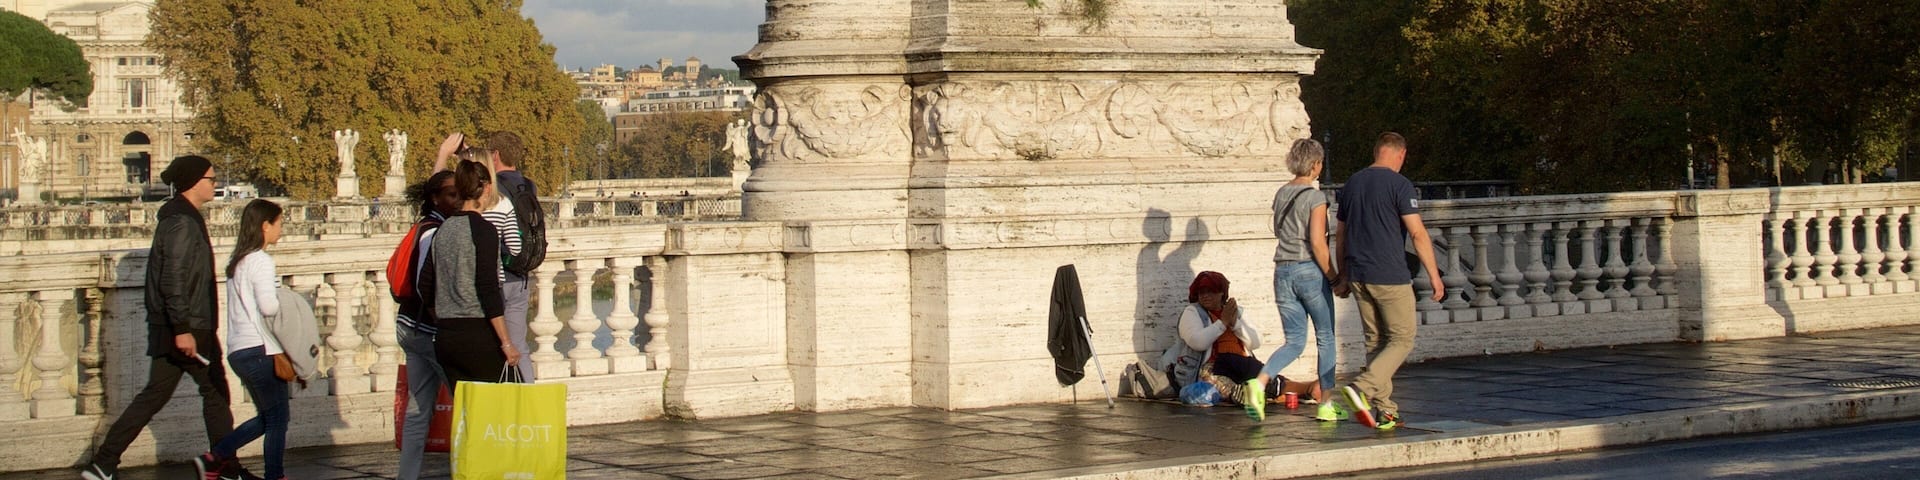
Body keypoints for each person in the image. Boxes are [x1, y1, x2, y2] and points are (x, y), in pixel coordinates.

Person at [82, 155, 236, 480]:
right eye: (211, 178)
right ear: (195, 182)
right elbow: (174, 279)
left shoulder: (182, 217)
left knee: (154, 395)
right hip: (189, 326)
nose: (215, 184)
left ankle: (103, 464)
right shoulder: (182, 222)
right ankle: (225, 468)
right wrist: (183, 329)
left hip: (181, 325)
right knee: (216, 393)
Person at [1332, 132, 1444, 430]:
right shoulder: (1400, 185)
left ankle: (1387, 411)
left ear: (1376, 150)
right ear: (1401, 154)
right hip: (1389, 273)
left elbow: (1340, 235)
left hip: (1358, 273)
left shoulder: (1352, 183)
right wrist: (1434, 274)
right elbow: (1418, 234)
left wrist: (1342, 274)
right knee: (1402, 338)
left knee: (1375, 341)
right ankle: (1361, 388)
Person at [196, 199, 289, 480]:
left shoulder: (237, 262)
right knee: (278, 420)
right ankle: (273, 475)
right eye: (279, 223)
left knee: (268, 417)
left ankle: (214, 458)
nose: (281, 229)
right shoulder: (261, 261)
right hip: (259, 348)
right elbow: (269, 307)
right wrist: (283, 296)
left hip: (239, 349)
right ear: (265, 225)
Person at [1255, 139, 1344, 422]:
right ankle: (1326, 404)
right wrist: (1333, 277)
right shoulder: (1315, 197)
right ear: (1316, 164)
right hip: (1308, 271)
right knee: (1326, 337)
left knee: (1294, 341)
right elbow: (1318, 243)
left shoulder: (1281, 193)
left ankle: (1258, 383)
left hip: (1282, 270)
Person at [422, 160, 521, 384]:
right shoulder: (484, 230)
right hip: (478, 333)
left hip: (447, 335)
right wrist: (506, 342)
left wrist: (444, 318)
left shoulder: (442, 229)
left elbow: (425, 285)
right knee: (492, 413)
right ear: (486, 188)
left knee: (464, 413)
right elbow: (488, 288)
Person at [395, 171, 458, 480]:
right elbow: (425, 283)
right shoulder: (435, 231)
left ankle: (406, 475)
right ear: (436, 198)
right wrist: (441, 316)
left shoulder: (423, 225)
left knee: (419, 409)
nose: (457, 199)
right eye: (451, 194)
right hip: (427, 329)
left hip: (409, 325)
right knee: (467, 402)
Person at [1171, 271, 1273, 420]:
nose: (1205, 296)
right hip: (1211, 367)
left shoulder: (1235, 312)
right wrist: (1222, 323)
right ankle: (1244, 395)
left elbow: (1256, 342)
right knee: (1218, 383)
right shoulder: (1193, 312)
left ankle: (1304, 388)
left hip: (1240, 363)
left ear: (1222, 293)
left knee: (1267, 377)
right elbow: (1197, 342)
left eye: (1211, 292)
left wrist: (1235, 324)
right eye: (1202, 292)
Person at [486, 132, 542, 380]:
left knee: (493, 347)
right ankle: (527, 402)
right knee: (519, 345)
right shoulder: (528, 185)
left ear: (495, 155)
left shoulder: (492, 189)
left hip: (497, 274)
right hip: (521, 274)